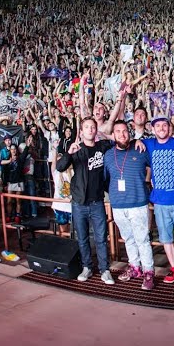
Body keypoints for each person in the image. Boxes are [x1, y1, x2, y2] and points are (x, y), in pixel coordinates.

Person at [105, 121, 156, 290]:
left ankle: (148, 271)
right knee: (128, 238)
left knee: (142, 239)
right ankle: (135, 267)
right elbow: (106, 179)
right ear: (113, 135)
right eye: (118, 131)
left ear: (130, 133)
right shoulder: (108, 155)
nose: (122, 134)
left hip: (138, 203)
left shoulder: (140, 149)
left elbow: (154, 165)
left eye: (125, 131)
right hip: (118, 204)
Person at [63, 117, 115, 284]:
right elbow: (60, 167)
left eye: (93, 127)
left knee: (101, 238)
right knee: (83, 238)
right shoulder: (76, 149)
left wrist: (105, 134)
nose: (90, 130)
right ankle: (87, 267)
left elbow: (120, 141)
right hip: (79, 203)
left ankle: (105, 269)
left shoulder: (102, 146)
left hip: (97, 202)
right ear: (81, 131)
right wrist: (69, 153)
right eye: (87, 127)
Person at [145, 117, 174, 284]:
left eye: (165, 125)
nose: (161, 128)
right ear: (153, 129)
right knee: (166, 238)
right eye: (158, 125)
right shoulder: (148, 144)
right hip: (160, 202)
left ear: (170, 128)